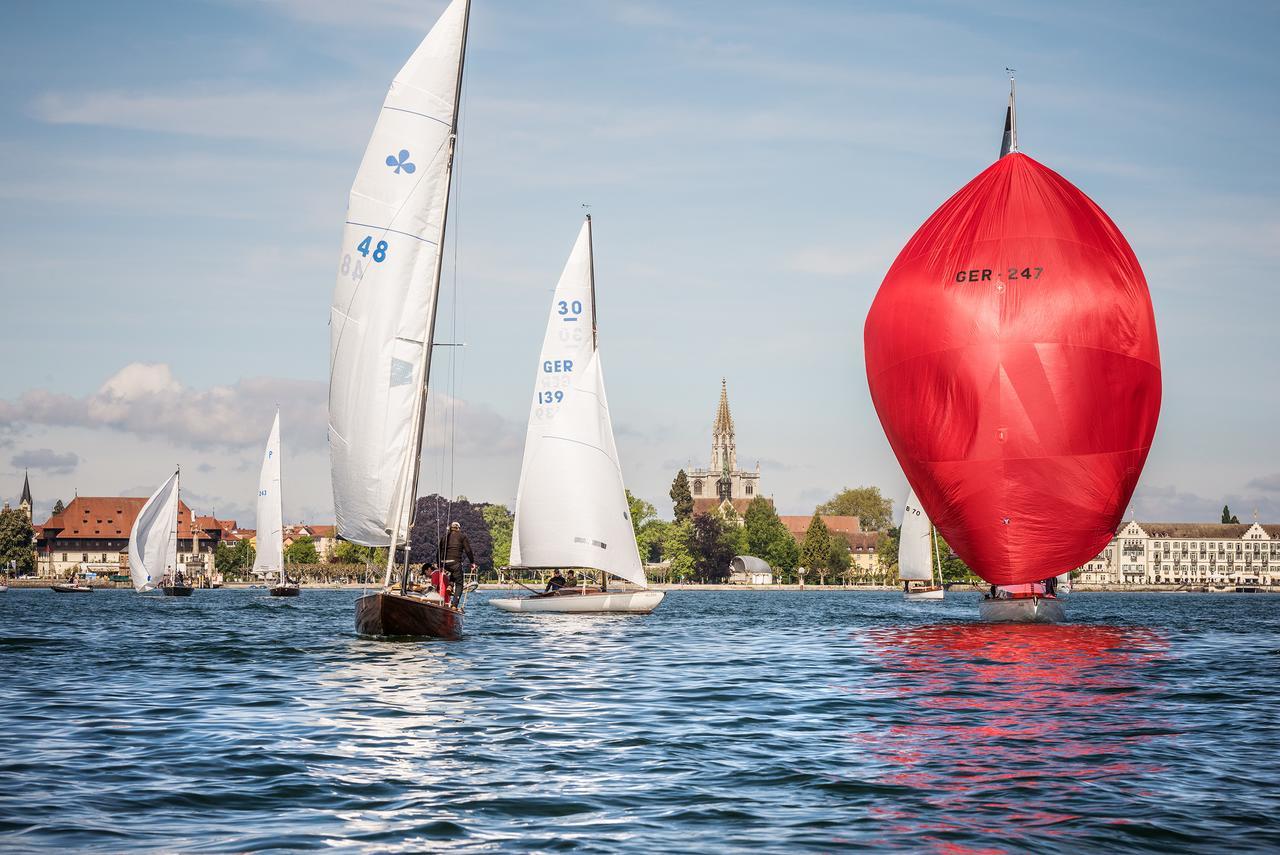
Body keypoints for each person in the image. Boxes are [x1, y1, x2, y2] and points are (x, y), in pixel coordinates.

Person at [437, 521, 475, 606]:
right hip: (455, 563)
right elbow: (468, 550)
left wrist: (439, 565)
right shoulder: (462, 536)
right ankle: (454, 605)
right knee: (459, 584)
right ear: (458, 529)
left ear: (450, 528)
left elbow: (438, 552)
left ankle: (450, 585)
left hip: (444, 563)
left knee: (454, 572)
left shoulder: (444, 537)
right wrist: (472, 562)